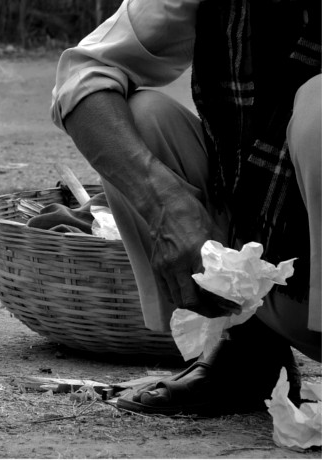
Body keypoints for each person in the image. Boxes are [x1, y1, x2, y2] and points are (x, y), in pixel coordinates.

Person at [51, 0, 320, 416]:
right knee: (138, 121)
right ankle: (247, 353)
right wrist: (164, 203)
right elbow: (81, 76)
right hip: (271, 283)